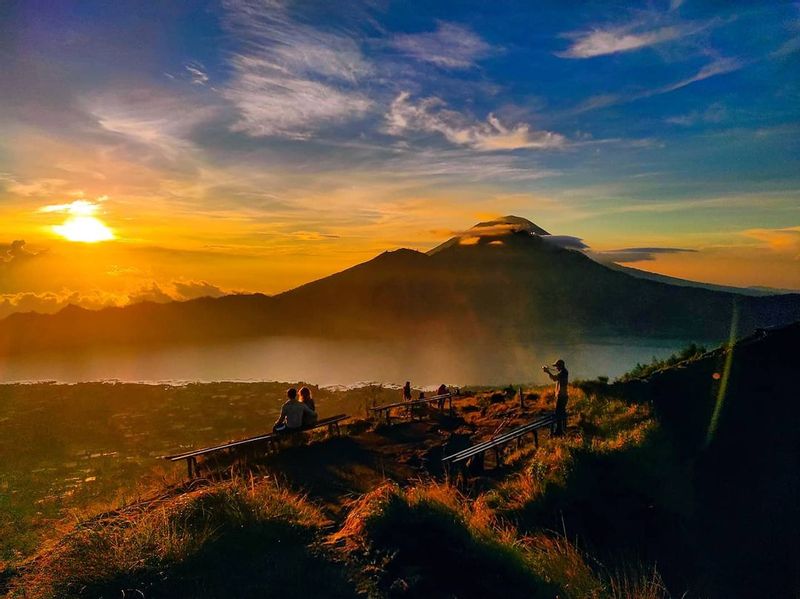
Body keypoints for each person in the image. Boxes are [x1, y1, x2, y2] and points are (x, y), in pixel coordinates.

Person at [542, 359, 569, 436]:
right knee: (561, 413)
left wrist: (547, 372)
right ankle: (560, 430)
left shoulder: (563, 373)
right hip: (563, 396)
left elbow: (554, 378)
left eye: (557, 366)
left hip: (562, 396)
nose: (556, 368)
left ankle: (559, 431)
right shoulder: (564, 372)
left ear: (560, 366)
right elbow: (556, 377)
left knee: (558, 413)